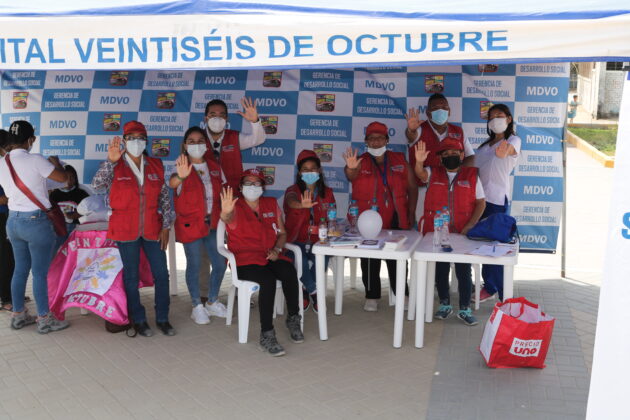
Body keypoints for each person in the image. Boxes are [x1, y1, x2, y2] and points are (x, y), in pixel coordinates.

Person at [92, 120, 175, 337]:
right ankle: (138, 319)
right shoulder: (115, 164)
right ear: (124, 140)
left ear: (146, 141)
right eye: (131, 138)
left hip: (152, 229)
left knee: (161, 274)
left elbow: (165, 198)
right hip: (125, 229)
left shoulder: (155, 164)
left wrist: (166, 225)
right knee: (131, 277)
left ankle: (163, 318)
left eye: (140, 138)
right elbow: (97, 185)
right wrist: (110, 162)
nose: (136, 142)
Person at [220, 169, 303, 357]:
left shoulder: (271, 204)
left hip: (269, 255)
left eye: (256, 183)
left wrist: (277, 250)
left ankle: (293, 318)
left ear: (263, 187)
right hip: (245, 260)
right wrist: (225, 212)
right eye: (247, 183)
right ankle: (266, 334)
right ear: (241, 187)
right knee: (268, 281)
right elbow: (227, 218)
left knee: (288, 271)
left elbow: (282, 233)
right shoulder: (235, 206)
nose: (252, 186)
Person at [0, 121, 70, 333]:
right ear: (31, 139)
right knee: (39, 273)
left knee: (20, 269)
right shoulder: (35, 159)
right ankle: (44, 319)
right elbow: (64, 179)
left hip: (13, 222)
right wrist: (55, 164)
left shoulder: (3, 161)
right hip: (35, 222)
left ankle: (18, 315)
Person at [344, 121, 417, 312]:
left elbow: (412, 187)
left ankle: (402, 293)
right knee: (369, 257)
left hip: (396, 216)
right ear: (366, 141)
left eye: (380, 138)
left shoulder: (399, 159)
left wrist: (411, 212)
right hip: (368, 218)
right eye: (371, 138)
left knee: (397, 257)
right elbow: (351, 175)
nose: (376, 142)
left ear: (387, 140)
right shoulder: (359, 161)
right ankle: (372, 295)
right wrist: (350, 168)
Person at [414, 138, 486, 326]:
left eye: (454, 153)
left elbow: (481, 203)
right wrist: (419, 162)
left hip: (462, 232)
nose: (450, 156)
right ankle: (444, 304)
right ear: (440, 158)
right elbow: (420, 174)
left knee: (464, 271)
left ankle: (464, 308)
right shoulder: (433, 172)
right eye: (445, 154)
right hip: (438, 232)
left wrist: (471, 225)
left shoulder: (472, 175)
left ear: (462, 155)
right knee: (441, 269)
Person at [170, 126, 228, 324]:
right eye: (191, 141)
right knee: (194, 265)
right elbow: (172, 183)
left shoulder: (214, 166)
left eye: (200, 141)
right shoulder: (181, 165)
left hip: (213, 223)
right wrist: (181, 176)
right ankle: (196, 306)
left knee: (220, 263)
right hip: (191, 224)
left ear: (206, 144)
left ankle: (212, 301)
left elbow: (223, 191)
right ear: (185, 145)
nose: (196, 145)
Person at [473, 104, 521, 302]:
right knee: (484, 246)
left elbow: (509, 151)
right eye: (491, 117)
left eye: (499, 116)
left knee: (496, 249)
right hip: (479, 201)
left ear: (508, 119)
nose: (495, 120)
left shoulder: (513, 140)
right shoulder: (484, 147)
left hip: (497, 201)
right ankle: (489, 286)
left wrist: (504, 151)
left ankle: (504, 295)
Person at [405, 93, 476, 220]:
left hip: (450, 189)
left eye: (444, 107)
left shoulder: (458, 131)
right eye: (435, 108)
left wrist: (455, 174)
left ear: (449, 111)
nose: (440, 110)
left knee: (448, 225)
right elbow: (411, 136)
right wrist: (411, 130)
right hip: (423, 189)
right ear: (428, 113)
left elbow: (471, 157)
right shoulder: (419, 129)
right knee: (425, 224)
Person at [283, 149, 336, 312]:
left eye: (313, 168)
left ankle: (305, 290)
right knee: (302, 261)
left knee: (322, 258)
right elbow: (290, 201)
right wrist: (301, 205)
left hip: (319, 240)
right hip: (295, 241)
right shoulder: (292, 190)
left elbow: (332, 215)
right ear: (299, 173)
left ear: (319, 170)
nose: (309, 172)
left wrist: (331, 227)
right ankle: (315, 292)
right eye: (305, 169)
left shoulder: (327, 193)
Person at [203, 97, 266, 191]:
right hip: (206, 195)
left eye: (221, 115)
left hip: (234, 194)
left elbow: (258, 139)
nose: (217, 118)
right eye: (213, 115)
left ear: (226, 119)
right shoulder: (197, 138)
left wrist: (255, 121)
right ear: (206, 118)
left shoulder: (235, 137)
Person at [49, 164, 90, 250]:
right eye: (66, 178)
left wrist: (77, 214)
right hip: (58, 228)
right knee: (57, 250)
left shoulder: (82, 194)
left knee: (73, 250)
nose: (69, 181)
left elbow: (89, 212)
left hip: (76, 228)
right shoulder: (53, 195)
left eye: (72, 178)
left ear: (76, 179)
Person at [0, 130, 15, 312]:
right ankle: (5, 298)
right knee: (6, 258)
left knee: (11, 257)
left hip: (8, 215)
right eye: (9, 145)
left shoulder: (6, 163)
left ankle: (11, 293)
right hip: (2, 216)